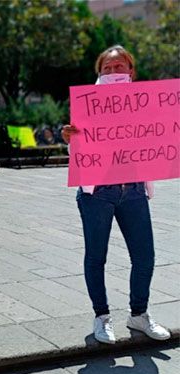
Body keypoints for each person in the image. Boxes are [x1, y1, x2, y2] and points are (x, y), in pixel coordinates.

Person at [62, 45, 170, 345]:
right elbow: (79, 150)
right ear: (99, 73)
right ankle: (101, 317)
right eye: (107, 68)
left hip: (133, 189)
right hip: (98, 193)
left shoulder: (145, 103)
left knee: (145, 256)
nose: (113, 72)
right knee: (96, 257)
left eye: (119, 66)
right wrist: (69, 137)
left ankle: (138, 314)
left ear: (130, 71)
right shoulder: (87, 103)